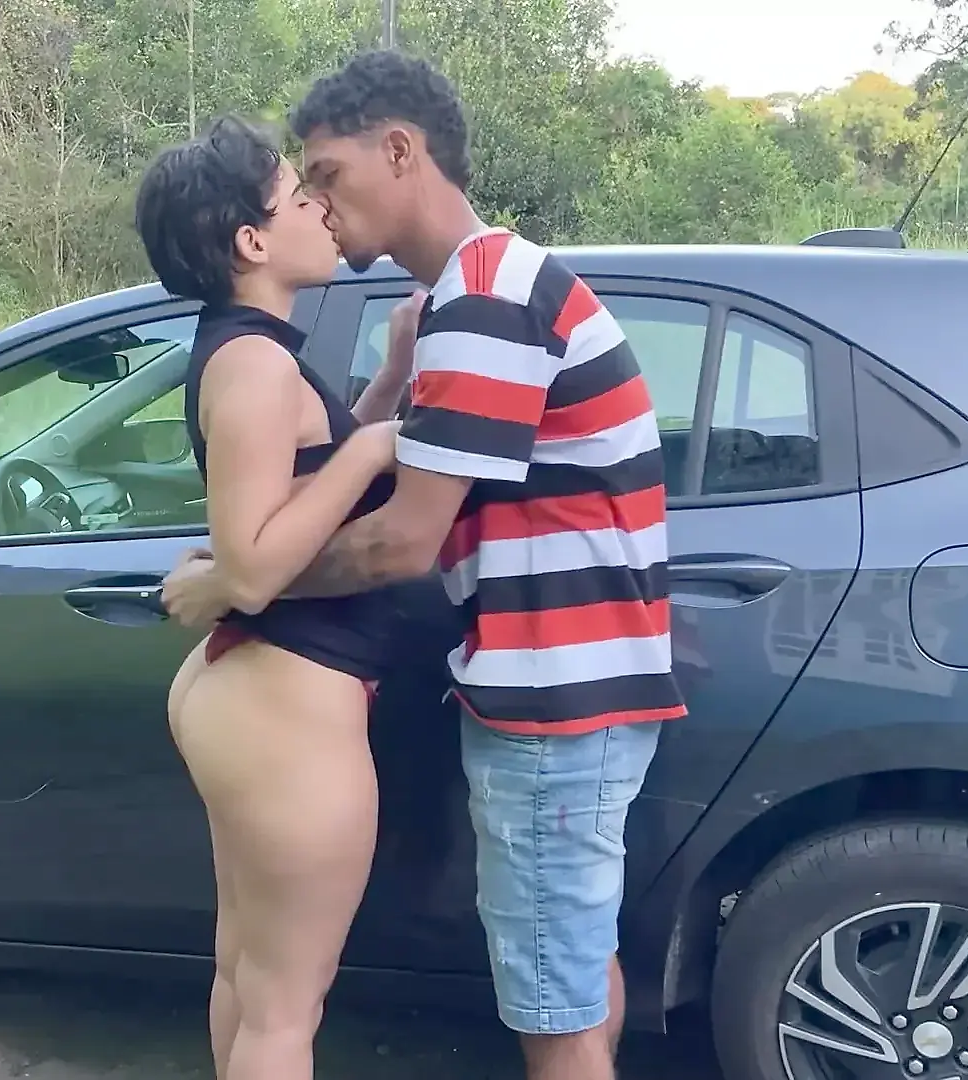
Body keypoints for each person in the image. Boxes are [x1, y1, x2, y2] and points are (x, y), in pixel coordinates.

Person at [160, 52, 687, 1080]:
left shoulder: (484, 300)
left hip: (554, 693)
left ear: (400, 151)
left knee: (554, 1001)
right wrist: (388, 393)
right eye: (301, 187)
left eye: (327, 175)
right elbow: (358, 488)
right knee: (567, 975)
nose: (320, 202)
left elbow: (401, 538)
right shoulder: (472, 295)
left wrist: (238, 580)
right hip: (552, 685)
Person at [132, 113, 423, 1080]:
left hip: (262, 696)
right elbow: (252, 567)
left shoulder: (250, 351)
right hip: (286, 702)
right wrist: (373, 450)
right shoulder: (254, 365)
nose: (322, 209)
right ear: (251, 242)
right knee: (283, 1012)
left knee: (251, 983)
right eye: (300, 197)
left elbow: (302, 486)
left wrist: (388, 381)